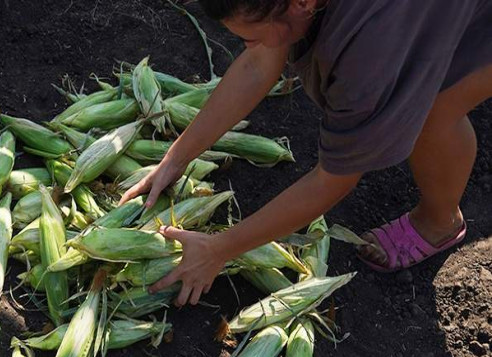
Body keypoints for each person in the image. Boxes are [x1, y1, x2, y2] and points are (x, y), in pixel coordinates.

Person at [119, 0, 492, 307]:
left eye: (249, 36)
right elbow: (259, 62)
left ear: (303, 5)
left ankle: (440, 221)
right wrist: (176, 157)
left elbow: (333, 180)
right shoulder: (289, 6)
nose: (246, 45)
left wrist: (219, 249)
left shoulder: (368, 55)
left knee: (432, 112)